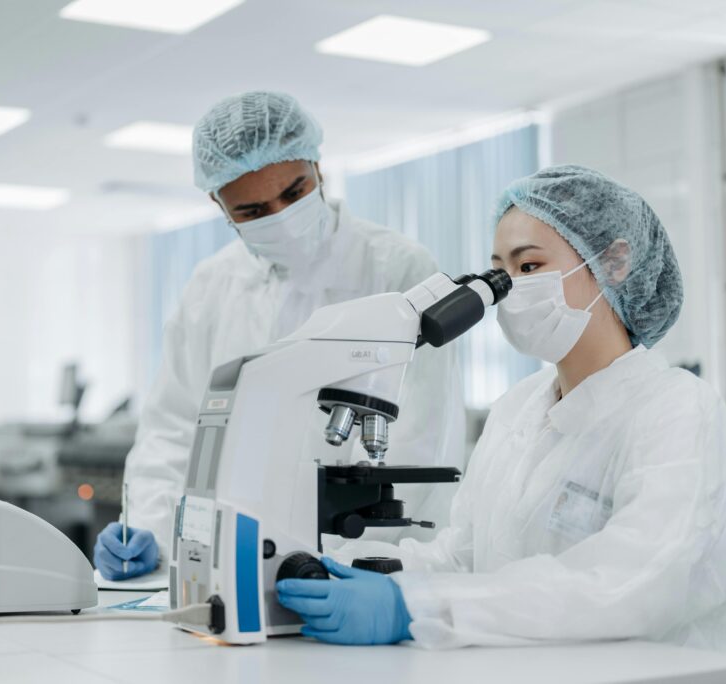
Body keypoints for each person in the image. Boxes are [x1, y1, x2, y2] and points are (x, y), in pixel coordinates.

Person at [277, 165, 726, 653]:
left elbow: (631, 584)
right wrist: (335, 565)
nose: (511, 290)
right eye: (500, 273)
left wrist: (416, 609)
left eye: (529, 268)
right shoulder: (517, 409)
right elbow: (463, 559)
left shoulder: (676, 411)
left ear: (614, 262)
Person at [94, 91, 465, 580]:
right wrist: (152, 531)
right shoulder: (210, 287)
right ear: (218, 204)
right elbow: (174, 430)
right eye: (252, 211)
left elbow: (419, 437)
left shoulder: (397, 268)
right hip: (234, 559)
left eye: (293, 193)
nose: (281, 218)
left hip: (362, 563)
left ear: (318, 168)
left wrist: (338, 562)